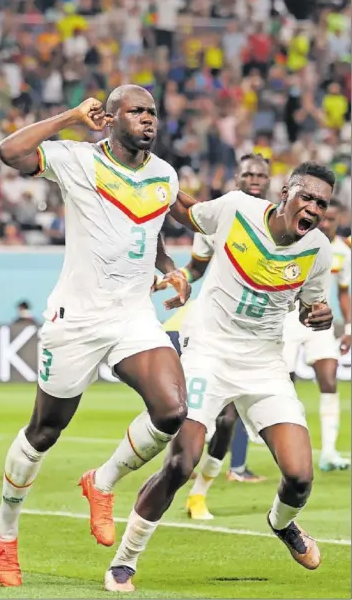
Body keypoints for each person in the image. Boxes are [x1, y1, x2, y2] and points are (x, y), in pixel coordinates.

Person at [0, 86, 192, 588]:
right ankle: (6, 529)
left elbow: (150, 228)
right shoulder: (77, 159)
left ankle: (101, 482)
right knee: (44, 431)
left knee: (171, 411)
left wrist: (169, 268)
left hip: (131, 315)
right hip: (75, 318)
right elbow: (9, 152)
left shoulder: (164, 174)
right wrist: (70, 118)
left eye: (153, 111)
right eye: (138, 111)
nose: (149, 118)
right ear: (112, 116)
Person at [103, 162, 335, 592]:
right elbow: (184, 209)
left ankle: (282, 525)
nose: (314, 208)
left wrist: (319, 316)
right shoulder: (237, 210)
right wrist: (141, 175)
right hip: (208, 352)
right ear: (286, 194)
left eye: (322, 204)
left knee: (300, 477)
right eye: (308, 197)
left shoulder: (318, 249)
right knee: (180, 463)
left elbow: (310, 306)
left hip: (265, 365)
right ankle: (125, 561)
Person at [157, 154, 271, 522]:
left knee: (229, 420)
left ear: (269, 181)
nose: (254, 179)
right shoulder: (220, 218)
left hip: (253, 334)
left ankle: (198, 493)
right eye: (248, 173)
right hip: (208, 327)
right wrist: (174, 279)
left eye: (260, 174)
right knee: (203, 416)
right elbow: (196, 267)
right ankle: (178, 479)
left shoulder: (280, 222)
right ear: (237, 178)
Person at [283, 199, 351, 471]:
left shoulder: (343, 252)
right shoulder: (297, 243)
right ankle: (279, 440)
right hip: (289, 320)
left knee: (329, 378)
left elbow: (343, 292)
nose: (325, 224)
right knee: (282, 382)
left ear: (339, 220)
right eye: (322, 218)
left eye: (331, 219)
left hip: (320, 323)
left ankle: (329, 452)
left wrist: (348, 329)